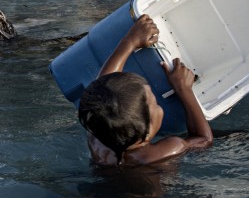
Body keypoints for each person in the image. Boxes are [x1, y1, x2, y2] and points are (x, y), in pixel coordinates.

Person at [78, 14, 213, 168]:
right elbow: (204, 139)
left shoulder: (97, 133)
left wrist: (130, 42)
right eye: (155, 103)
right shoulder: (165, 151)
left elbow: (103, 87)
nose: (158, 104)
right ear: (148, 132)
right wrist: (184, 89)